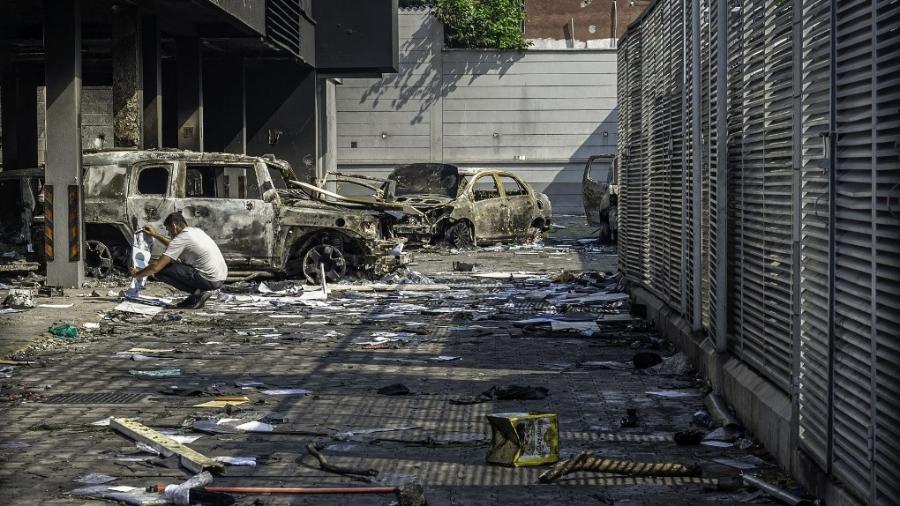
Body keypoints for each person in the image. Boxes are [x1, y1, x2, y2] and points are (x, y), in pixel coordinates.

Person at [130, 211, 228, 309]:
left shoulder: (181, 239)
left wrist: (137, 274)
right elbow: (173, 245)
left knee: (161, 270)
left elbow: (156, 267)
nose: (169, 233)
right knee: (169, 265)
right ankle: (199, 293)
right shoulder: (194, 231)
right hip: (220, 277)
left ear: (174, 226)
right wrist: (155, 235)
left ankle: (198, 293)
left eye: (168, 230)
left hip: (210, 280)